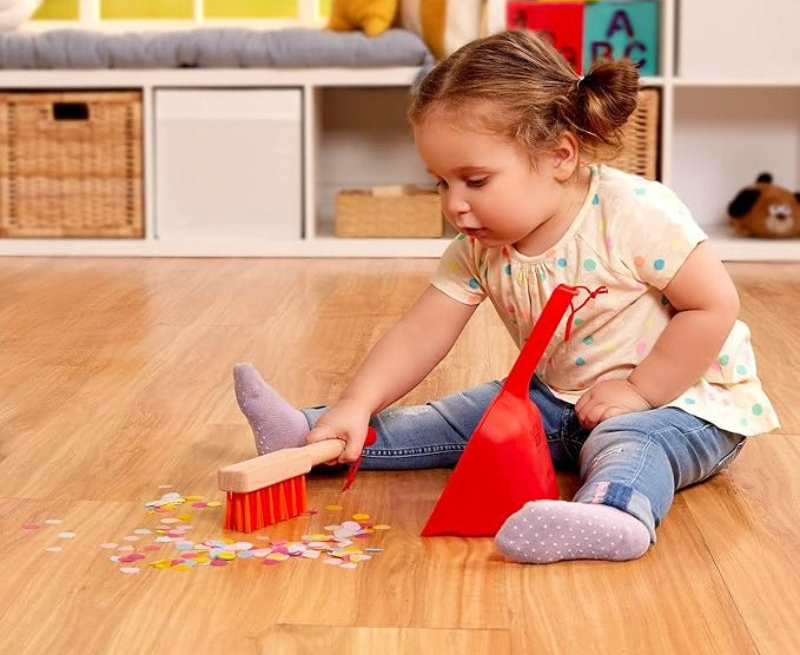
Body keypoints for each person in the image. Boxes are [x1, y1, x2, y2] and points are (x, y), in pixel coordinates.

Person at [233, 29, 779, 564]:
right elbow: (422, 332)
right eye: (441, 183)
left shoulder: (635, 214)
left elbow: (713, 306)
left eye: (475, 180)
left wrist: (640, 390)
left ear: (560, 155)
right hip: (554, 397)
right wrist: (357, 402)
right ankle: (311, 435)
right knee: (449, 419)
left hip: (684, 403)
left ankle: (616, 515)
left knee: (631, 441)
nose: (453, 204)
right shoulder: (478, 246)